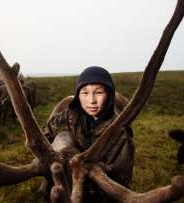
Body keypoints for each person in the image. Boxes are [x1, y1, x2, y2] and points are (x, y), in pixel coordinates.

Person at [41, 66, 135, 202]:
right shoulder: (71, 114)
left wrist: (89, 169)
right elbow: (47, 131)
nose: (91, 101)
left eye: (98, 93)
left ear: (110, 94)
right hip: (66, 173)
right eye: (84, 93)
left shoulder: (120, 134)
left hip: (97, 187)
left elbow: (121, 178)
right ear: (78, 95)